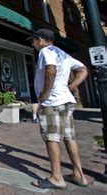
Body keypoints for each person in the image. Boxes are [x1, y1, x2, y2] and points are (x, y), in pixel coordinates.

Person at [28, 29, 89, 189]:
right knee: (69, 137)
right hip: (66, 101)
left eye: (33, 41)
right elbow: (83, 70)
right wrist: (70, 87)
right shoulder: (63, 53)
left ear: (40, 40)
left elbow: (51, 70)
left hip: (53, 102)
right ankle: (79, 175)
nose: (33, 44)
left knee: (52, 137)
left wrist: (45, 94)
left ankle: (56, 178)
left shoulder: (45, 51)